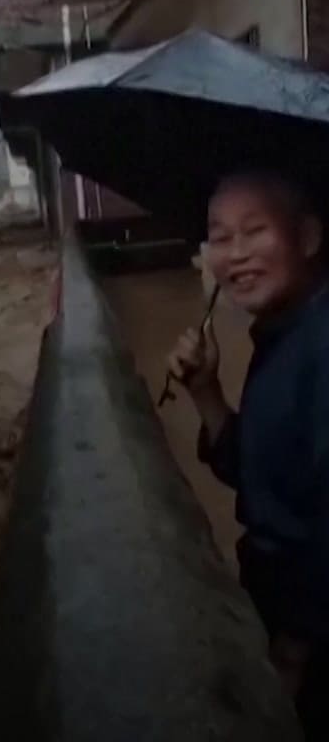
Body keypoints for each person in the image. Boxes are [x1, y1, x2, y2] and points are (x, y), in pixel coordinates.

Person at [167, 170, 329, 739]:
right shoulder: (282, 332)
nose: (234, 255)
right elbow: (265, 478)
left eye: (254, 231)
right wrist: (207, 391)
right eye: (220, 237)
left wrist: (297, 646)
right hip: (274, 602)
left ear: (308, 238)